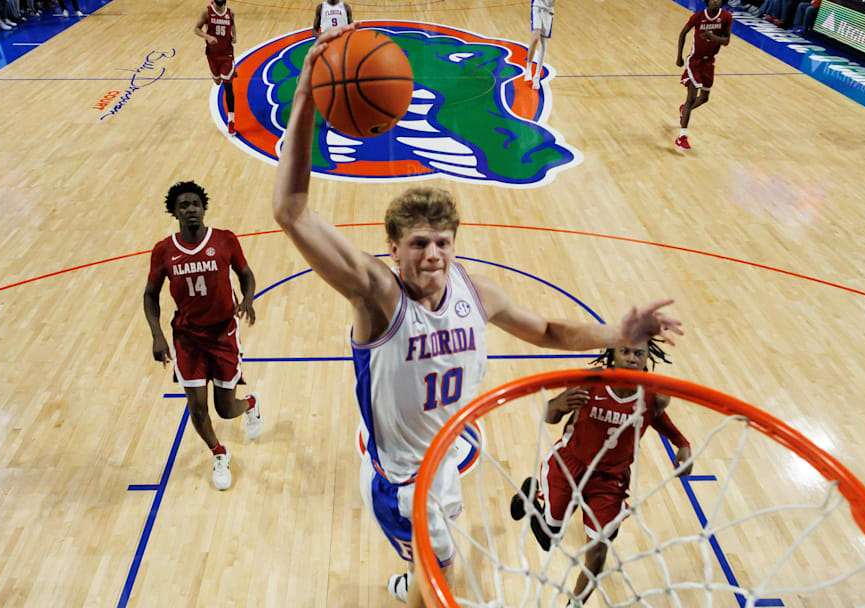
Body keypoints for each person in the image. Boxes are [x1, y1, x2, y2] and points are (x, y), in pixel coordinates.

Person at [272, 23, 684, 607]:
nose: (432, 254)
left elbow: (546, 330)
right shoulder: (376, 295)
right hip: (403, 478)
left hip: (444, 456)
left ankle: (410, 570)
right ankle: (417, 576)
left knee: (431, 561)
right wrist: (306, 101)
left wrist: (617, 333)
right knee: (444, 579)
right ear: (392, 249)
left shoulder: (475, 292)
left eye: (442, 241)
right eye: (417, 243)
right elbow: (290, 210)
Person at [510, 339, 692, 607]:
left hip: (610, 480)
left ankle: (575, 604)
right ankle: (528, 501)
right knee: (549, 540)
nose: (632, 357)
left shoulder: (655, 395)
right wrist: (559, 403)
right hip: (569, 467)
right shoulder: (588, 383)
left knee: (597, 553)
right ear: (612, 354)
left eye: (638, 353)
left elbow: (658, 419)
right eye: (626, 351)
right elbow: (548, 416)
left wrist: (682, 443)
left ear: (646, 358)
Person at [143, 181, 262, 491]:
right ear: (174, 212)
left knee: (224, 408)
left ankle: (250, 403)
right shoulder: (163, 250)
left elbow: (246, 275)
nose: (191, 209)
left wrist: (247, 299)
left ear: (204, 207)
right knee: (197, 406)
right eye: (184, 205)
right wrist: (157, 335)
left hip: (223, 334)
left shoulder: (224, 241)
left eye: (195, 204)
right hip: (187, 338)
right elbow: (150, 295)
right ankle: (218, 452)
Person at [676, 0, 733, 150]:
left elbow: (726, 41)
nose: (716, 1)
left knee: (704, 98)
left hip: (709, 63)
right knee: (691, 98)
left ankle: (684, 111)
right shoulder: (698, 17)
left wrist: (713, 38)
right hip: (695, 61)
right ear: (707, 1)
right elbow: (683, 33)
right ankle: (682, 136)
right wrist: (679, 56)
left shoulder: (726, 17)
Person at [195, 0, 239, 135]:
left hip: (227, 55)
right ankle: (219, 75)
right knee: (217, 81)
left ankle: (231, 122)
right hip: (212, 55)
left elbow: (233, 26)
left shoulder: (230, 13)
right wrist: (207, 36)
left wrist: (234, 36)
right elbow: (196, 29)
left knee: (228, 86)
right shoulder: (207, 12)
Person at [524, 0, 556, 90]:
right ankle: (528, 69)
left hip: (549, 10)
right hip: (537, 6)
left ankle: (537, 76)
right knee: (535, 37)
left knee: (543, 44)